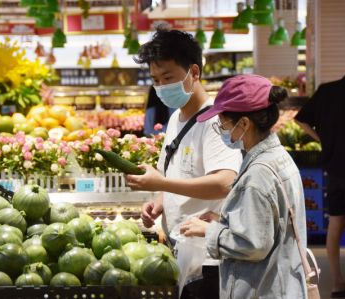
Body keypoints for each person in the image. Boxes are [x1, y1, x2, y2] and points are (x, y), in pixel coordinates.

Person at [125, 29, 242, 296]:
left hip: (209, 258)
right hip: (182, 249)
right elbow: (174, 171)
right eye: (155, 79)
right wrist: (160, 200)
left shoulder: (216, 122)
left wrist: (162, 182)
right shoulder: (177, 117)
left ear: (194, 72)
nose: (161, 87)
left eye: (168, 77)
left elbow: (225, 182)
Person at [179, 74, 308, 298]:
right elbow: (271, 224)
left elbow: (254, 245)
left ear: (245, 123)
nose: (220, 128)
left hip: (261, 288)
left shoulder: (257, 174)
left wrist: (210, 232)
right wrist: (227, 221)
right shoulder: (279, 158)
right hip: (284, 284)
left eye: (223, 122)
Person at [295, 43, 345, 298]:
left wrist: (323, 138)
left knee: (335, 223)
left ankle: (337, 283)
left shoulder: (326, 90)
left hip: (332, 167)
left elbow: (300, 119)